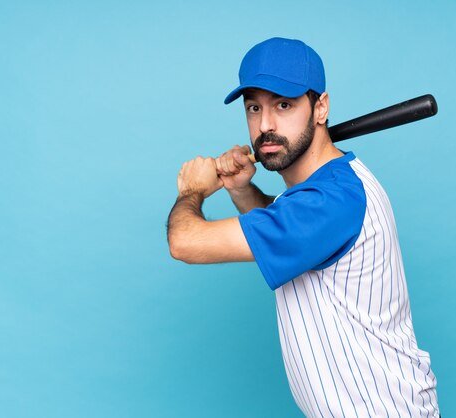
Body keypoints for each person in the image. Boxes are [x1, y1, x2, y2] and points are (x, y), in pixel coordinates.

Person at [167, 37, 440, 418]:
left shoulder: (329, 202)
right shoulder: (327, 188)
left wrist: (192, 190)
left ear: (321, 108)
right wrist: (242, 188)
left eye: (284, 105)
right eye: (254, 108)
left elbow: (184, 242)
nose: (265, 125)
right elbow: (285, 230)